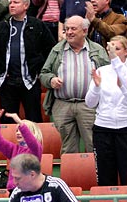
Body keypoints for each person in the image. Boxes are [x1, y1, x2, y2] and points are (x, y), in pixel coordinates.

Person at [40, 15, 110, 153]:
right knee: (68, 147)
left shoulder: (97, 49)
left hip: (89, 106)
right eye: (66, 29)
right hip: (62, 104)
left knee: (93, 144)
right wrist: (51, 80)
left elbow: (108, 75)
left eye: (73, 29)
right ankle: (70, 175)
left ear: (84, 31)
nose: (69, 32)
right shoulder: (57, 50)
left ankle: (94, 174)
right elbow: (44, 73)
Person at [0, 0, 55, 123]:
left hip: (29, 80)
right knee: (7, 121)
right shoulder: (2, 26)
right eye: (10, 3)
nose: (11, 5)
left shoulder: (37, 25)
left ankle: (35, 144)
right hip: (7, 81)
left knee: (34, 119)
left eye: (16, 3)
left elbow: (50, 50)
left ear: (26, 6)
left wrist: (38, 69)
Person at [87, 36, 127, 185]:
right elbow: (90, 103)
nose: (113, 53)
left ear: (126, 51)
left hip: (125, 128)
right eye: (110, 49)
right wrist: (97, 87)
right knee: (105, 176)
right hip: (103, 128)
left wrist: (116, 63)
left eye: (117, 49)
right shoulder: (102, 71)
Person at [0, 109, 44, 190]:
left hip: (29, 189)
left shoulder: (36, 149)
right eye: (17, 130)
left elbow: (32, 141)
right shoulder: (14, 149)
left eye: (21, 130)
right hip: (13, 190)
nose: (18, 133)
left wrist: (20, 122)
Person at [8, 154, 78, 202]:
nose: (15, 183)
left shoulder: (56, 186)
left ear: (32, 174)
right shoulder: (17, 192)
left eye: (18, 178)